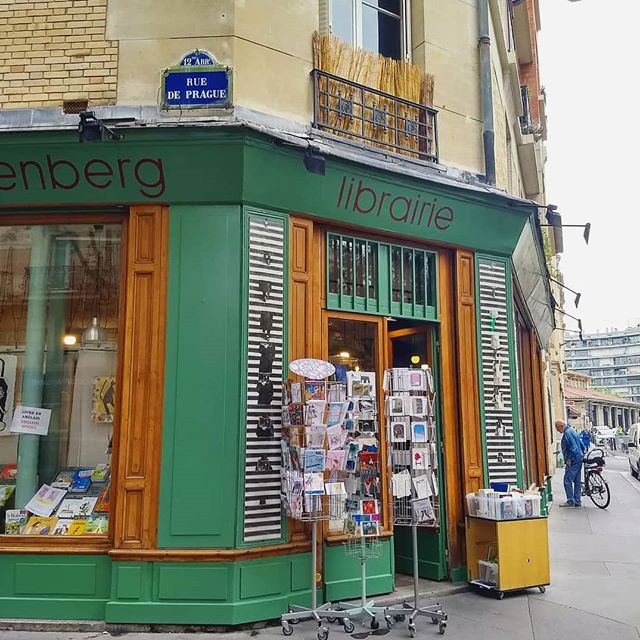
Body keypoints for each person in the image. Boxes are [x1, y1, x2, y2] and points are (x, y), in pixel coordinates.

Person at [555, 420, 584, 507]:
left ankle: (570, 500)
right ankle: (577, 500)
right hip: (579, 457)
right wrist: (582, 453)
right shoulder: (572, 430)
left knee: (567, 480)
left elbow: (573, 448)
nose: (557, 431)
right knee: (577, 481)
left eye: (557, 428)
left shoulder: (567, 433)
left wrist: (569, 459)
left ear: (561, 426)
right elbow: (580, 443)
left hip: (573, 459)